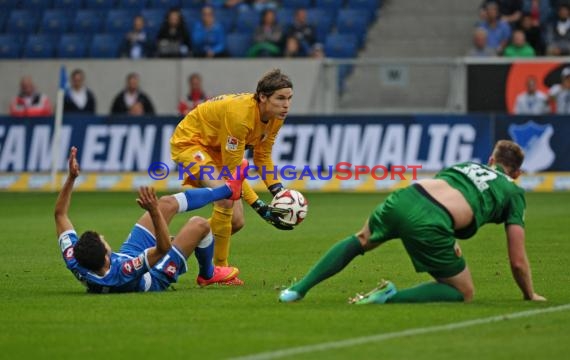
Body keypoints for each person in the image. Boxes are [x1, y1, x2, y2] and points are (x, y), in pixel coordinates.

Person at [280, 140, 546, 304]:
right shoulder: (513, 192)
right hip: (432, 221)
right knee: (463, 292)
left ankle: (296, 290)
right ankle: (389, 297)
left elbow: (444, 191)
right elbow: (518, 261)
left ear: (491, 160)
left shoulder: (465, 166)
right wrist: (529, 294)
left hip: (406, 196)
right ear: (518, 173)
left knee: (362, 239)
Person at [55, 146, 248, 293]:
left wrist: (71, 178)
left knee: (166, 203)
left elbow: (60, 215)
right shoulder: (123, 272)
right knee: (199, 225)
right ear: (106, 257)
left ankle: (228, 190)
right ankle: (208, 274)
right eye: (103, 240)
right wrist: (154, 212)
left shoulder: (75, 259)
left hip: (129, 254)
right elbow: (163, 249)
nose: (104, 237)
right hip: (154, 277)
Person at [170, 69, 295, 285]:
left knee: (235, 221)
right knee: (226, 196)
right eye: (280, 98)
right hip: (191, 143)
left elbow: (262, 155)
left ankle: (179, 244)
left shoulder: (275, 116)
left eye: (289, 99)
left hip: (217, 149)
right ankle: (218, 272)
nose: (286, 105)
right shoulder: (240, 116)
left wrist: (279, 191)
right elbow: (233, 171)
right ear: (263, 97)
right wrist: (260, 206)